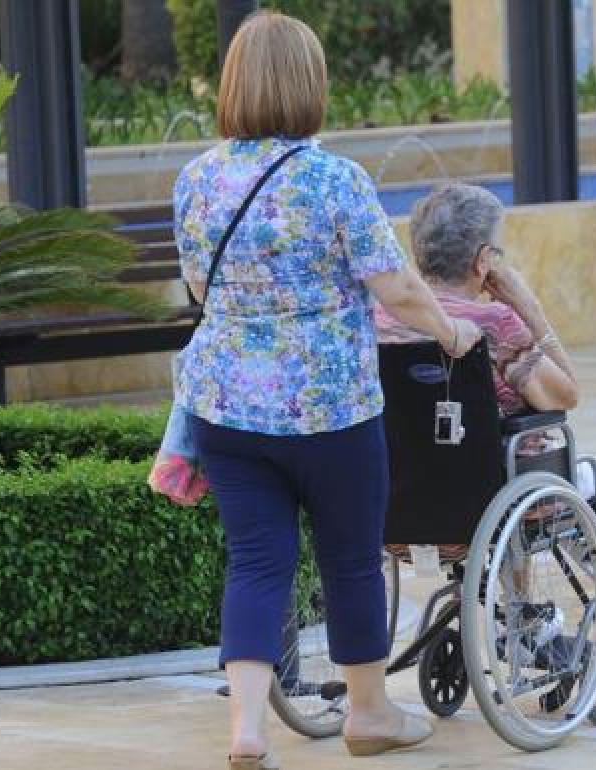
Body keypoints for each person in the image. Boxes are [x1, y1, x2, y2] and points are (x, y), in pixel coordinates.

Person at [171, 13, 481, 770]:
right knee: (349, 559)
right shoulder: (335, 179)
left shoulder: (197, 179)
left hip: (228, 410)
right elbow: (398, 287)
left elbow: (195, 286)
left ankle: (248, 730)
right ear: (312, 85)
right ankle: (369, 714)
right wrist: (450, 331)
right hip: (330, 411)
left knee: (256, 562)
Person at [375, 184, 596, 664]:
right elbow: (565, 393)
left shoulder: (382, 318)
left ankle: (527, 622)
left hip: (400, 495)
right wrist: (529, 307)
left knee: (494, 469)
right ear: (484, 261)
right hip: (491, 491)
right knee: (595, 478)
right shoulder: (496, 322)